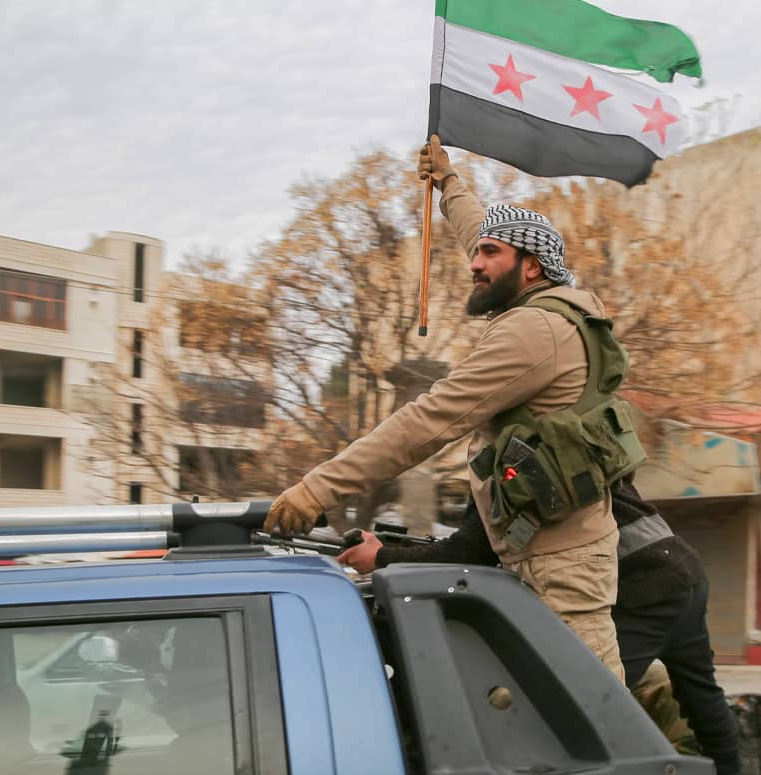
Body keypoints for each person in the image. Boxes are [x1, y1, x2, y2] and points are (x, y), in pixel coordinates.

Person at [264, 136, 632, 681]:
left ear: (531, 268)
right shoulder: (546, 306)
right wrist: (448, 183)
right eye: (476, 252)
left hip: (560, 569)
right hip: (545, 554)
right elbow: (479, 232)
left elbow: (428, 421)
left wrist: (318, 489)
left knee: (592, 719)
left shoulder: (533, 331)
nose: (475, 265)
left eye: (490, 255)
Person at [339, 477, 743, 775]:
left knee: (586, 710)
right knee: (701, 697)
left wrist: (382, 557)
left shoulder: (504, 461)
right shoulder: (564, 435)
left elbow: (467, 551)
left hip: (644, 589)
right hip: (682, 571)